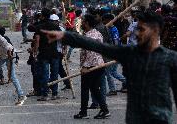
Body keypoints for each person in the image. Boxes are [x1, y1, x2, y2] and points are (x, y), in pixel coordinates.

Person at [42, 11, 177, 124]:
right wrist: (65, 36)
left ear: (155, 31)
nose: (136, 33)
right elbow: (96, 46)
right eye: (136, 29)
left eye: (141, 29)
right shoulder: (130, 53)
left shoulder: (170, 59)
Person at [73, 14, 110, 119]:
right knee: (94, 88)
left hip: (92, 66)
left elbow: (91, 53)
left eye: (83, 21)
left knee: (85, 89)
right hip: (98, 65)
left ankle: (83, 112)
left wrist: (85, 67)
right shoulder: (96, 33)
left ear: (87, 23)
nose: (81, 23)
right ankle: (104, 110)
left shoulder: (90, 36)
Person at [33, 8, 61, 101]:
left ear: (42, 16)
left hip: (44, 53)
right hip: (54, 53)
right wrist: (63, 49)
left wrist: (35, 52)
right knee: (54, 74)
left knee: (45, 74)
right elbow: (60, 38)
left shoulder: (39, 27)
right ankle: (54, 93)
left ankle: (45, 94)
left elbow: (37, 40)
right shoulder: (55, 26)